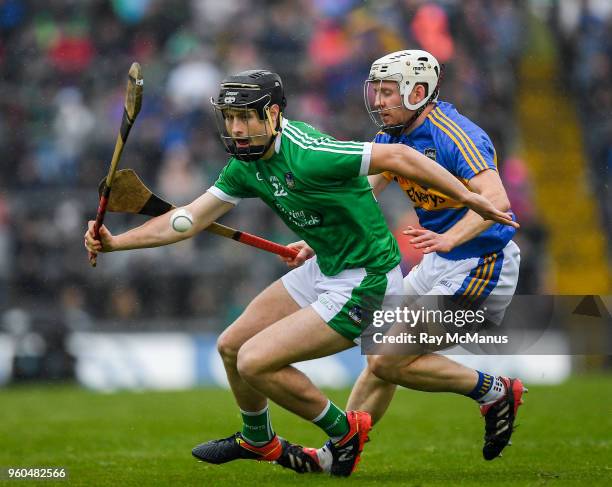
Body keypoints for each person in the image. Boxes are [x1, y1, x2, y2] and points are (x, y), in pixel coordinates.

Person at [84, 69, 516, 477]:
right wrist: (117, 241)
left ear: (272, 114)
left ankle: (344, 432)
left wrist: (472, 200)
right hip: (325, 268)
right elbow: (188, 220)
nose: (235, 129)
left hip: (365, 280)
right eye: (230, 118)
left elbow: (400, 156)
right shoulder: (245, 163)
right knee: (232, 346)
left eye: (245, 118)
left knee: (258, 361)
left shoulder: (311, 152)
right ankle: (258, 440)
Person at [277, 50, 526, 473]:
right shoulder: (392, 137)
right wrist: (314, 241)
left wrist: (449, 237)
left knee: (386, 357)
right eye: (375, 90)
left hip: (483, 263)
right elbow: (360, 199)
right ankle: (340, 450)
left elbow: (498, 201)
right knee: (379, 354)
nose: (377, 101)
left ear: (419, 91)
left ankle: (495, 391)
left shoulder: (455, 134)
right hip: (438, 262)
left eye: (388, 92)